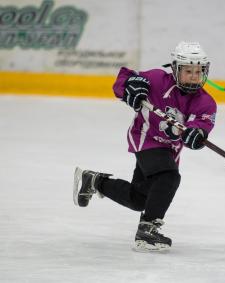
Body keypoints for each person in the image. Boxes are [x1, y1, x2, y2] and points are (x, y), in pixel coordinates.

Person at [73, 41, 217, 251]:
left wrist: (197, 133)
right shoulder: (157, 79)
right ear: (176, 69)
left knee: (139, 199)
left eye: (199, 71)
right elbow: (123, 78)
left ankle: (95, 181)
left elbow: (202, 123)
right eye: (188, 71)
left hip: (170, 150)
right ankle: (147, 230)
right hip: (145, 137)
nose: (194, 76)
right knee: (169, 177)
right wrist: (130, 87)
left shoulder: (206, 102)